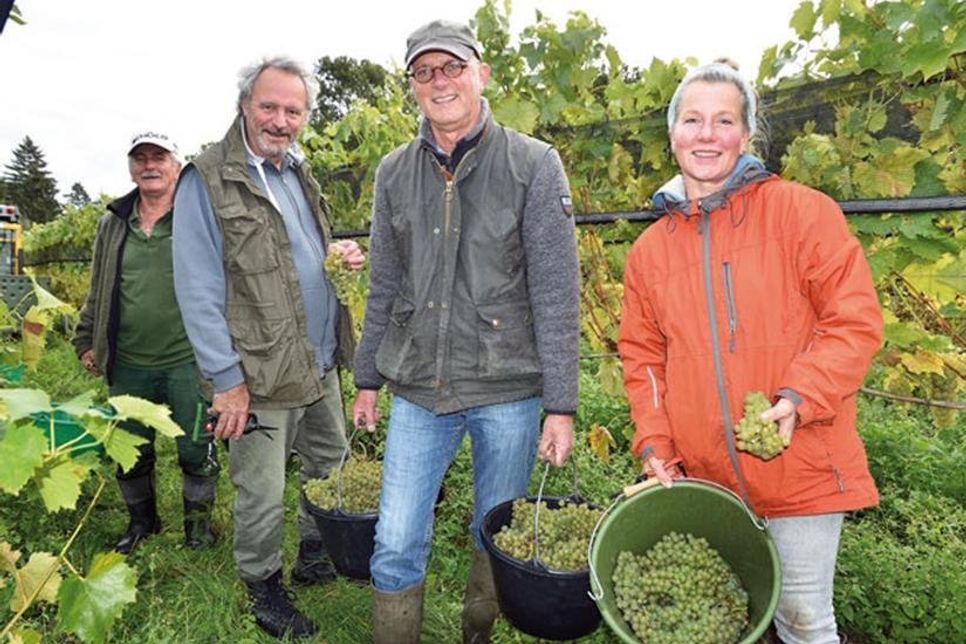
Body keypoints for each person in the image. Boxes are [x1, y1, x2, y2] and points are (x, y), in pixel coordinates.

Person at [618, 60, 884, 644]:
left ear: (746, 136)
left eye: (723, 121)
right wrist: (657, 444)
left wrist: (801, 394)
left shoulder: (801, 212)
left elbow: (855, 319)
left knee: (803, 618)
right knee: (731, 617)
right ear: (673, 135)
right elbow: (642, 360)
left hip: (802, 460)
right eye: (692, 120)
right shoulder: (648, 252)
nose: (706, 134)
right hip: (707, 476)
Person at [351, 19, 580, 644]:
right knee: (396, 538)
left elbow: (557, 292)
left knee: (492, 530)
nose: (439, 81)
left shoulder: (533, 164)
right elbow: (385, 284)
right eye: (424, 72)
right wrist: (367, 377)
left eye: (451, 67)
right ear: (413, 88)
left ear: (481, 74)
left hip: (507, 389)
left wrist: (560, 404)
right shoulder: (393, 173)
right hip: (419, 390)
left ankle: (476, 632)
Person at [172, 57, 364, 639]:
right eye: (269, 106)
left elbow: (296, 257)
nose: (281, 120)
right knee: (261, 487)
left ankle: (313, 554)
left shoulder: (295, 172)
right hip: (255, 371)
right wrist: (227, 378)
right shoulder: (208, 177)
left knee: (329, 467)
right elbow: (197, 284)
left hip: (316, 360)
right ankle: (263, 586)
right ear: (245, 106)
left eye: (293, 110)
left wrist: (338, 257)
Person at [74, 132, 220, 555]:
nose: (149, 165)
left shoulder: (198, 216)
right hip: (128, 363)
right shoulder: (114, 222)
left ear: (177, 165)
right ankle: (143, 522)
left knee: (195, 444)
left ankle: (198, 528)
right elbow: (100, 286)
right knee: (131, 448)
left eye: (159, 156)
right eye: (140, 158)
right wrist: (87, 338)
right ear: (131, 167)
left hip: (187, 360)